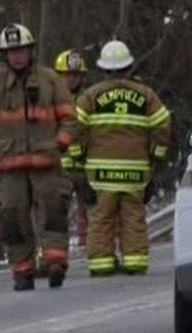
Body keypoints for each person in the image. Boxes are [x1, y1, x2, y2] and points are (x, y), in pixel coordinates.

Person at [0, 24, 76, 291]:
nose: (17, 56)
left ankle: (54, 263)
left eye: (21, 50)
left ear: (31, 51)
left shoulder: (50, 80)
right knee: (13, 218)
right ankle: (22, 270)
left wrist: (61, 142)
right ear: (4, 54)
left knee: (53, 210)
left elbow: (69, 116)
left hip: (45, 160)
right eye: (12, 51)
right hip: (10, 164)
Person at [72, 40, 171, 276]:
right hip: (135, 171)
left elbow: (73, 127)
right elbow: (163, 124)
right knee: (133, 218)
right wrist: (155, 157)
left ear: (104, 69)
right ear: (129, 67)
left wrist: (78, 159)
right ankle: (135, 262)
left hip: (100, 173)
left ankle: (101, 264)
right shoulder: (146, 95)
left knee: (101, 219)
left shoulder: (90, 96)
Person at [55, 49, 91, 247]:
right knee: (56, 215)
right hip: (61, 170)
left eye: (76, 75)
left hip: (86, 168)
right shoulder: (50, 101)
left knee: (90, 215)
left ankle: (88, 248)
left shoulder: (90, 100)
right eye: (68, 75)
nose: (72, 79)